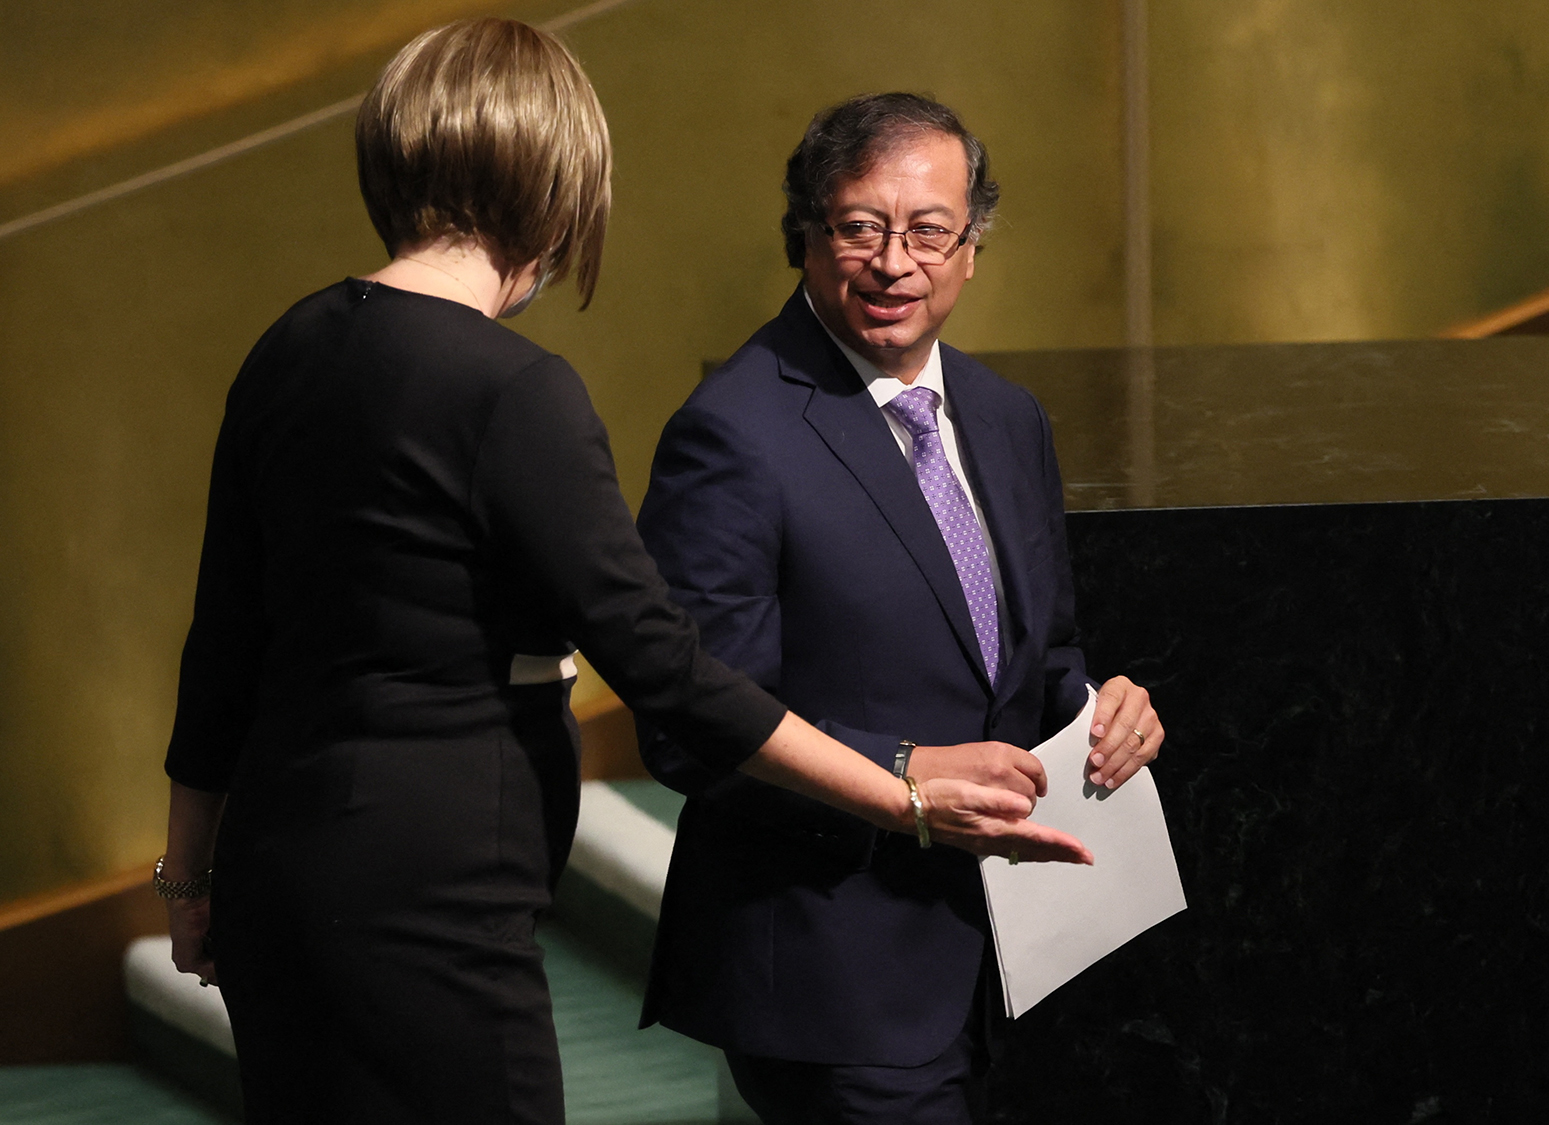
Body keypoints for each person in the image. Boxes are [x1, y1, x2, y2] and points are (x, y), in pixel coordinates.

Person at [156, 29, 1085, 1125]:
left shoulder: (292, 344)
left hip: (284, 859)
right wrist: (907, 795)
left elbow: (221, 642)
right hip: (435, 891)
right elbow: (666, 666)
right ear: (556, 182)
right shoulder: (515, 389)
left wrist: (188, 875)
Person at [635, 93, 1165, 1124]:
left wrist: (1102, 708)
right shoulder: (731, 435)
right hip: (837, 981)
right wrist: (902, 777)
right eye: (859, 227)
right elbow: (689, 729)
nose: (893, 263)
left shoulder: (1007, 419)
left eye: (928, 231)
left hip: (1016, 959)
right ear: (804, 236)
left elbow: (1039, 654)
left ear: (970, 250)